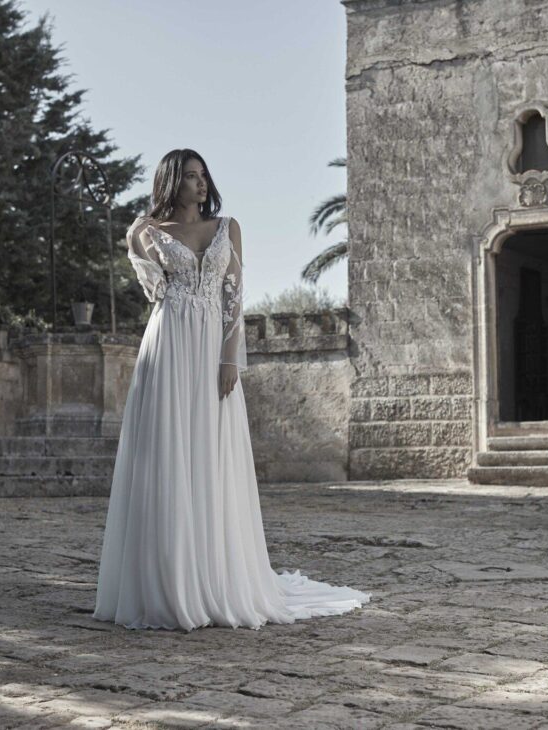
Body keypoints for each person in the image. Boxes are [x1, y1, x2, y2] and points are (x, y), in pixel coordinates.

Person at [92, 149, 371, 631]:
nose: (201, 184)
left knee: (211, 452)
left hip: (210, 348)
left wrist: (229, 359)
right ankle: (169, 580)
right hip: (169, 345)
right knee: (167, 452)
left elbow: (234, 298)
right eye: (190, 176)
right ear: (172, 182)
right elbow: (153, 287)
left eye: (203, 176)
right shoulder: (150, 232)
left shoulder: (227, 228)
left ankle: (216, 574)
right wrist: (141, 230)